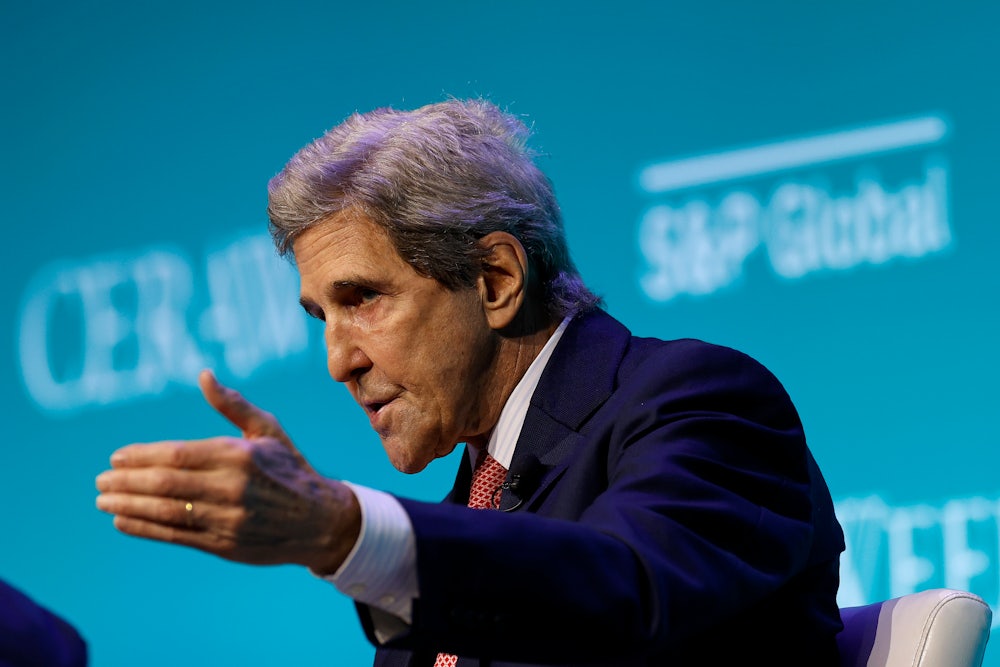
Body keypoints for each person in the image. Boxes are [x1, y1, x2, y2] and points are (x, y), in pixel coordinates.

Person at [95, 99, 845, 665]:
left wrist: (343, 529)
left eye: (362, 299)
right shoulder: (462, 520)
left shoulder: (697, 402)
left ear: (495, 279)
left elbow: (626, 590)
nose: (337, 360)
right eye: (319, 315)